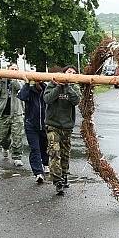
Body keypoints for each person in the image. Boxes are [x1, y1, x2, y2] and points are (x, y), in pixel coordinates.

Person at [44, 65, 81, 195]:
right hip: (53, 125)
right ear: (63, 73)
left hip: (67, 127)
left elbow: (76, 100)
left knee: (65, 155)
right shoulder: (52, 84)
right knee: (54, 153)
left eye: (73, 73)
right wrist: (59, 86)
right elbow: (47, 99)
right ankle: (57, 180)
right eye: (68, 72)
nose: (70, 74)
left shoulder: (74, 87)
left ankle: (64, 176)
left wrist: (67, 87)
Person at [18, 79, 50, 184]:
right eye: (35, 80)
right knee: (35, 149)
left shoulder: (46, 89)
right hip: (31, 125)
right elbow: (22, 96)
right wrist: (27, 83)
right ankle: (38, 173)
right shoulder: (29, 91)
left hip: (45, 125)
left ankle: (46, 164)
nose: (37, 82)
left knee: (45, 147)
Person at [0, 64, 25, 166]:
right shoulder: (2, 80)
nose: (14, 71)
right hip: (3, 113)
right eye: (12, 69)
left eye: (16, 69)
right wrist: (1, 80)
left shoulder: (21, 80)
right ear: (7, 70)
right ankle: (5, 147)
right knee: (2, 136)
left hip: (17, 113)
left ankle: (17, 157)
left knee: (17, 136)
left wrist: (13, 79)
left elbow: (19, 88)